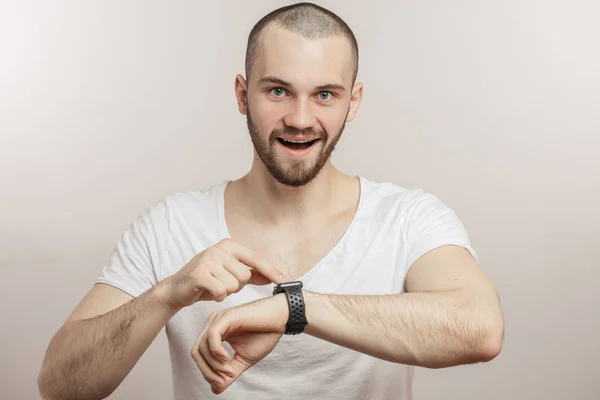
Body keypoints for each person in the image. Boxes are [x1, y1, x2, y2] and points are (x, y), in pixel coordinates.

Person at [38, 2, 504, 399]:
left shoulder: (408, 218)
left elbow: (479, 329)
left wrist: (292, 310)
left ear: (353, 102)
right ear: (243, 94)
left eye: (325, 94)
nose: (300, 118)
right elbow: (59, 384)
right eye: (278, 91)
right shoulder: (169, 225)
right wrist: (165, 295)